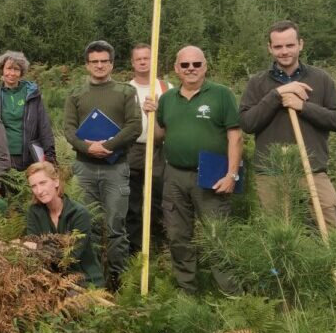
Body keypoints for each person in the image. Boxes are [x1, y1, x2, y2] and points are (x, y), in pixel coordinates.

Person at [144, 46, 241, 295]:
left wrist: (232, 174)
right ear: (176, 69)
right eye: (185, 65)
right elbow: (158, 138)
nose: (191, 69)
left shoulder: (221, 95)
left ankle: (230, 292)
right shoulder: (167, 99)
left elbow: (235, 137)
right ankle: (187, 288)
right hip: (174, 175)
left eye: (196, 64)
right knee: (178, 235)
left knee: (216, 235)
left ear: (205, 66)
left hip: (211, 174)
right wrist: (150, 116)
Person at [239, 20, 336, 227]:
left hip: (312, 170)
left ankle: (331, 261)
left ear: (300, 44)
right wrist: (276, 96)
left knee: (334, 229)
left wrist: (303, 107)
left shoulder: (321, 79)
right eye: (278, 47)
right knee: (281, 236)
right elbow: (247, 123)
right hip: (272, 173)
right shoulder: (258, 83)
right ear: (270, 48)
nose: (284, 51)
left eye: (289, 45)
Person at [62, 40, 141, 286]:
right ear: (87, 65)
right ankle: (93, 277)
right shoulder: (76, 94)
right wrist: (88, 147)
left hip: (116, 169)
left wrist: (108, 146)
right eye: (94, 62)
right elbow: (68, 129)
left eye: (104, 61)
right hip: (84, 169)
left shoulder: (126, 92)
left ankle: (119, 279)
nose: (99, 66)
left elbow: (134, 126)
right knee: (88, 224)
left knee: (116, 226)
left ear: (112, 64)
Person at [23, 161, 104, 287]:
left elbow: (70, 257)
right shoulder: (34, 212)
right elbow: (29, 247)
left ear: (56, 182)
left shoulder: (79, 213)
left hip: (84, 280)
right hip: (49, 277)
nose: (39, 191)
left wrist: (38, 248)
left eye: (43, 183)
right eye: (33, 186)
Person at [125, 43, 171, 254]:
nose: (143, 62)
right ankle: (135, 248)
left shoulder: (166, 88)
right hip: (133, 149)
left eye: (147, 58)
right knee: (133, 201)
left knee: (159, 199)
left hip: (160, 150)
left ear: (154, 61)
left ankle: (159, 246)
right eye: (139, 59)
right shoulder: (126, 89)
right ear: (133, 62)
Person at [0, 50, 56, 170]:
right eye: (9, 68)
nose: (12, 73)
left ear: (21, 72)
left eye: (16, 69)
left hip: (30, 156)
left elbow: (44, 125)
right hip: (3, 155)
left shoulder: (31, 93)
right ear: (2, 70)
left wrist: (50, 155)